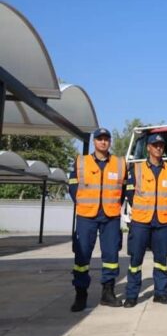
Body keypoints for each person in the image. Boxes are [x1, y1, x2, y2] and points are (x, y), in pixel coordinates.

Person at [68, 128, 127, 312]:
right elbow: (72, 186)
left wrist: (114, 204)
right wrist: (82, 203)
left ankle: (107, 293)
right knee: (82, 256)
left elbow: (123, 189)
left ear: (110, 142)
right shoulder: (81, 161)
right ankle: (81, 294)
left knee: (111, 256)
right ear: (94, 142)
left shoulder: (119, 163)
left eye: (106, 139)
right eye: (100, 139)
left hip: (110, 216)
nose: (103, 142)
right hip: (87, 216)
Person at [123, 134, 167, 307]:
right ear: (148, 148)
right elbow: (130, 194)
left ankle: (160, 293)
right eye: (155, 145)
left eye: (161, 145)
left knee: (161, 260)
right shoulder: (137, 169)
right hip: (141, 222)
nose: (158, 148)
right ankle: (132, 295)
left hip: (162, 223)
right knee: (135, 261)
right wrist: (144, 208)